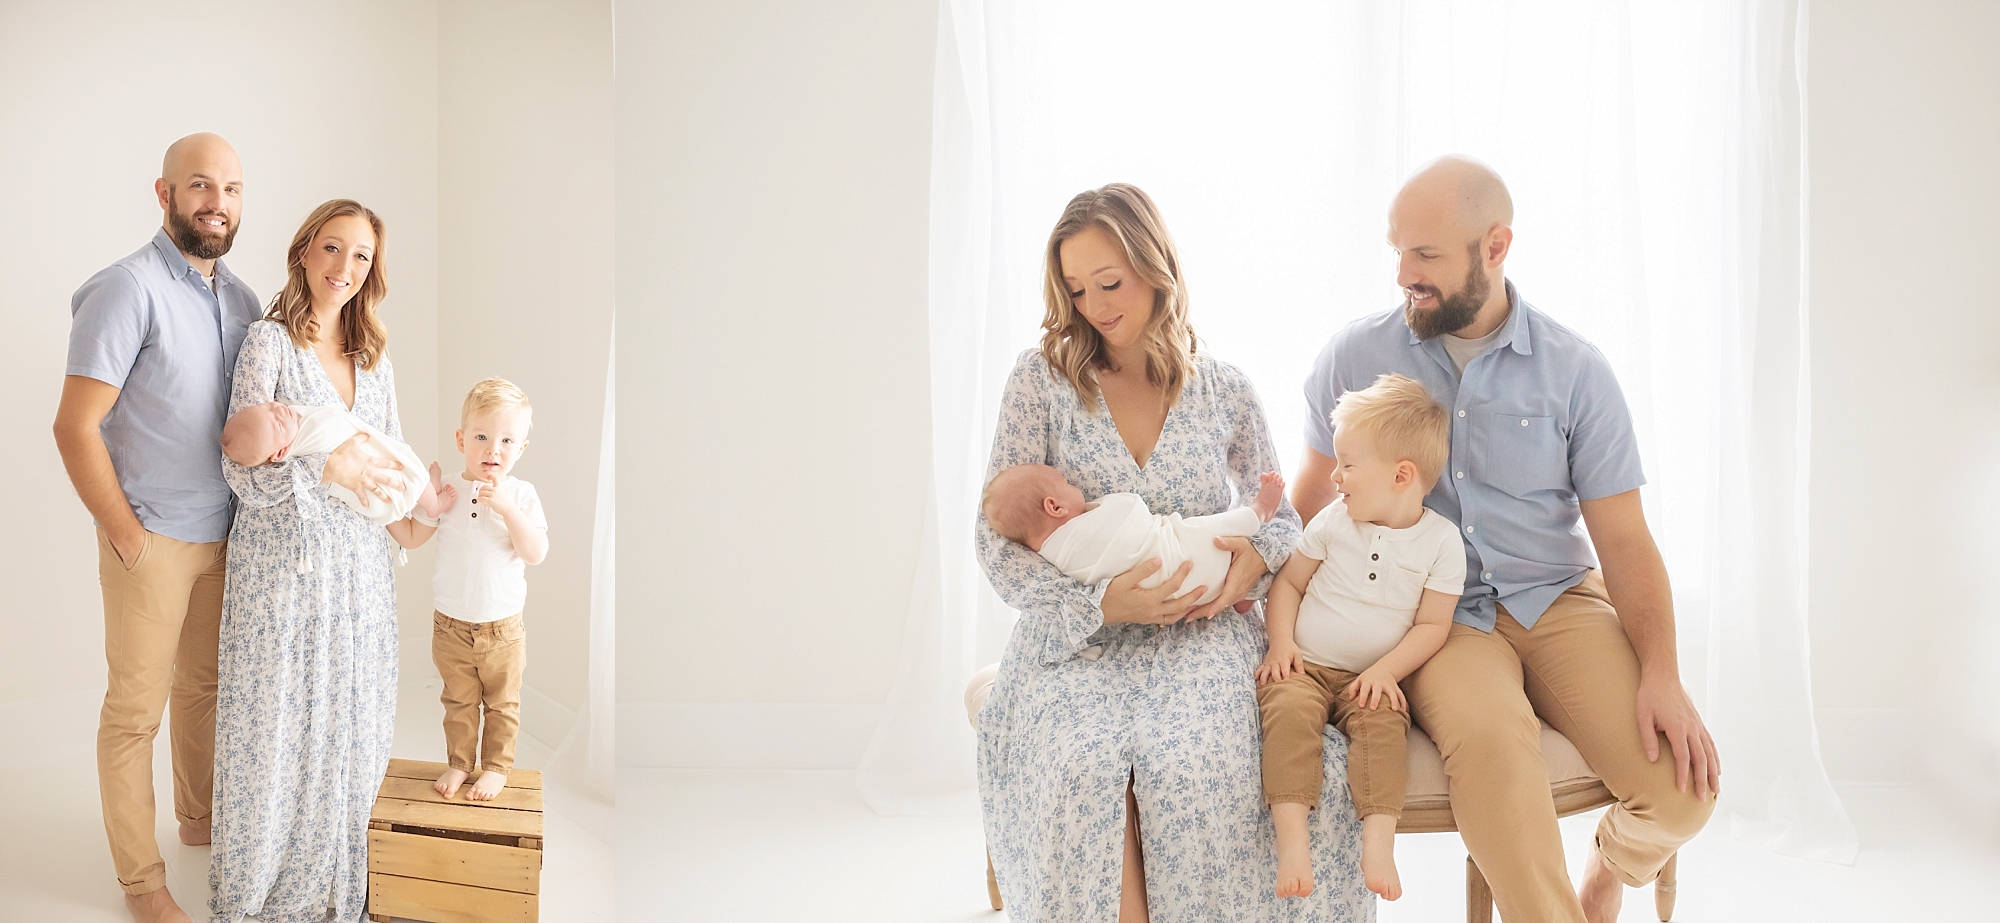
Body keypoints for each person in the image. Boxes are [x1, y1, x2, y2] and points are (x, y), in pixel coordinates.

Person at [1293, 155, 1718, 923]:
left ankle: (1608, 868)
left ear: (1495, 247)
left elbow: (1623, 539)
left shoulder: (1576, 370)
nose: (1403, 275)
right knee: (1493, 755)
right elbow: (1309, 504)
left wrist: (1662, 672)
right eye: (1397, 251)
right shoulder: (1353, 357)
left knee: (1684, 795)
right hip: (1440, 620)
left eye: (1425, 255)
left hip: (1555, 597)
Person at [975, 183, 1369, 922]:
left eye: (1110, 282)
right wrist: (1098, 603)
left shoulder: (1224, 388)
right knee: (1087, 769)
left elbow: (1280, 514)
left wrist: (1252, 562)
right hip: (1079, 643)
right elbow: (993, 537)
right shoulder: (1042, 381)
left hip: (1201, 635)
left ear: (1155, 266)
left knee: (1200, 769)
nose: (1094, 305)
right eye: (1076, 288)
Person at [54, 132, 261, 923]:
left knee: (202, 690)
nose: (217, 202)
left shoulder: (240, 300)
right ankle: (142, 883)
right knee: (134, 715)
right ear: (164, 193)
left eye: (232, 189)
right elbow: (74, 428)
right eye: (200, 185)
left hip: (225, 539)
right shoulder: (124, 289)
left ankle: (198, 822)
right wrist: (127, 536)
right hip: (149, 542)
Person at [209, 199, 411, 923]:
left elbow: (390, 467)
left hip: (358, 571)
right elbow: (239, 467)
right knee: (275, 723)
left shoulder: (374, 360)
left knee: (349, 722)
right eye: (333, 248)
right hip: (282, 571)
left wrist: (417, 510)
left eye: (361, 257)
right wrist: (329, 471)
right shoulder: (268, 343)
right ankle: (260, 884)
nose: (344, 268)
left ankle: (338, 880)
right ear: (303, 252)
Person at [1255, 373, 1462, 901]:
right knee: (1288, 717)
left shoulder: (1440, 543)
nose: (1335, 474)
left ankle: (1378, 842)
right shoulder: (1332, 521)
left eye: (1348, 464)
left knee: (1385, 730)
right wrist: (1282, 645)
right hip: (1306, 665)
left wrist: (1386, 672)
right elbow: (1289, 584)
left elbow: (1433, 625)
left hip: (1370, 679)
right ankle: (1293, 841)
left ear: (1401, 475)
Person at [428, 378, 549, 802]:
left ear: (521, 448)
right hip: (451, 625)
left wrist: (510, 510)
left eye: (506, 440)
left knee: (502, 703)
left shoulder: (522, 494)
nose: (492, 449)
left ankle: (496, 767)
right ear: (462, 440)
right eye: (481, 436)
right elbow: (418, 530)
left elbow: (535, 552)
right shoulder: (449, 492)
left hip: (502, 629)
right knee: (458, 702)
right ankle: (460, 762)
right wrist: (424, 498)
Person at [982, 465, 1286, 608]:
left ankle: (1243, 593)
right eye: (1065, 482)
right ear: (1054, 506)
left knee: (1188, 542)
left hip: (1181, 598)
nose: (1076, 486)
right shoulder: (1082, 530)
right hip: (1181, 562)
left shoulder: (1051, 554)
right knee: (1193, 531)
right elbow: (1129, 507)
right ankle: (1258, 511)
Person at [221, 400, 452, 528]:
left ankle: (428, 492)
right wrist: (330, 466)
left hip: (369, 533)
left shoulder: (293, 419)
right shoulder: (302, 444)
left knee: (404, 464)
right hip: (359, 492)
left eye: (269, 407)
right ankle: (434, 505)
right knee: (412, 479)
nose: (280, 411)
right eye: (278, 425)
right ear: (280, 453)